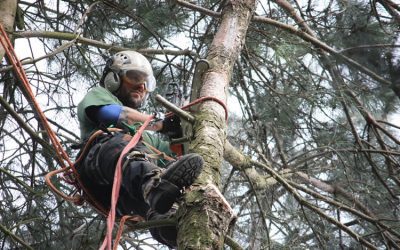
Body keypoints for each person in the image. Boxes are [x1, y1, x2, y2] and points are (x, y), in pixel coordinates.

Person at [76, 50, 204, 248]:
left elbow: (174, 157)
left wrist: (178, 135)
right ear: (114, 79)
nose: (141, 86)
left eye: (146, 84)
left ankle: (170, 225)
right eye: (134, 78)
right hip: (100, 167)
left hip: (125, 197)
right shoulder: (99, 96)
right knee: (122, 144)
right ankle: (154, 186)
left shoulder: (145, 137)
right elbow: (112, 113)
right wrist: (161, 124)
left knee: (154, 170)